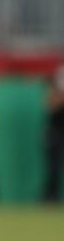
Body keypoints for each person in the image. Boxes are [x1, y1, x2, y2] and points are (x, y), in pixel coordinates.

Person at [44, 65, 64, 202]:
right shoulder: (54, 93)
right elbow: (50, 105)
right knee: (53, 167)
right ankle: (50, 197)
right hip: (55, 133)